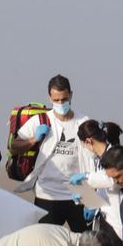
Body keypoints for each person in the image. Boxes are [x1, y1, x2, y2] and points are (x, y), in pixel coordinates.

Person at [19, 75, 94, 227]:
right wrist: (33, 139)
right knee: (45, 245)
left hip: (79, 192)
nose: (61, 103)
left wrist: (92, 199)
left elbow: (95, 156)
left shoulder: (84, 121)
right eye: (56, 100)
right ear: (50, 98)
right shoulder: (40, 120)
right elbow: (14, 146)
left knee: (88, 244)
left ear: (71, 95)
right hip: (47, 193)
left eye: (64, 99)